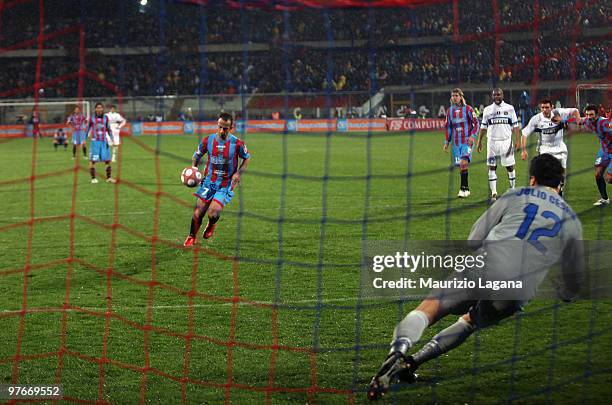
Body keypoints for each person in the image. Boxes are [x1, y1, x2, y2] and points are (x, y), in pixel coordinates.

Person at [368, 154, 584, 400]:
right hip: (519, 290)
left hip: (487, 264)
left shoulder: (517, 194)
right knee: (470, 321)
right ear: (560, 183)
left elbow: (474, 238)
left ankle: (398, 351)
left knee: (430, 308)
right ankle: (411, 364)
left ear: (533, 178)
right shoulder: (573, 221)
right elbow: (573, 284)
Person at [183, 112, 251, 246]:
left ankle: (212, 223)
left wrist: (238, 173)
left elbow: (247, 157)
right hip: (209, 181)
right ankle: (192, 236)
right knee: (198, 211)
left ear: (231, 128)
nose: (221, 130)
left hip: (225, 184)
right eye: (219, 127)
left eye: (225, 128)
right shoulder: (208, 140)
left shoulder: (237, 144)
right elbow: (196, 157)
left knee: (213, 213)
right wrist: (194, 170)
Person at [520, 99, 580, 196]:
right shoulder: (536, 119)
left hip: (560, 147)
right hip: (545, 148)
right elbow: (524, 133)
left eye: (547, 107)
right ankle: (542, 192)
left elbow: (575, 111)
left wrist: (578, 120)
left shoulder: (558, 113)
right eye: (542, 108)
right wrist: (524, 150)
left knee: (562, 173)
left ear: (552, 107)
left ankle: (560, 188)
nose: (544, 109)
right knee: (545, 172)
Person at [477, 88, 521, 202]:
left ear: (503, 95)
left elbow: (516, 126)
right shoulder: (487, 110)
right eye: (494, 95)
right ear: (492, 96)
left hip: (506, 141)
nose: (497, 97)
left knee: (509, 166)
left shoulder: (510, 108)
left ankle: (512, 189)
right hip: (492, 142)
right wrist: (479, 141)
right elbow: (483, 127)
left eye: (499, 94)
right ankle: (494, 193)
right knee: (492, 167)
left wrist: (518, 140)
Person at [443, 88, 479, 198]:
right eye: (453, 95)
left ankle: (462, 189)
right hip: (456, 143)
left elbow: (476, 124)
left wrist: (473, 136)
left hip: (467, 141)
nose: (454, 97)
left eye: (456, 95)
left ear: (461, 97)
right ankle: (466, 188)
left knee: (464, 162)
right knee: (461, 166)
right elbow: (448, 127)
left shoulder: (468, 109)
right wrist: (447, 142)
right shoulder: (449, 111)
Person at [581, 105, 611, 206]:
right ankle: (604, 198)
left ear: (597, 115)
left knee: (609, 179)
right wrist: (562, 120)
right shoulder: (587, 121)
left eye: (592, 114)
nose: (589, 117)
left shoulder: (604, 123)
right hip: (604, 150)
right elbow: (576, 120)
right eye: (587, 114)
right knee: (598, 174)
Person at [85, 103, 115, 184]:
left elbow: (109, 129)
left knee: (107, 160)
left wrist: (112, 138)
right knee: (92, 160)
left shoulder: (106, 118)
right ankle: (93, 178)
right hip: (95, 143)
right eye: (98, 108)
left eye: (101, 108)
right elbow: (87, 129)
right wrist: (84, 139)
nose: (99, 109)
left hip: (104, 142)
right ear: (95, 109)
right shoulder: (92, 119)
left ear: (102, 109)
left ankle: (109, 178)